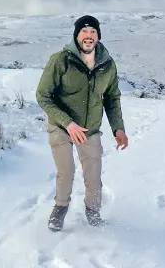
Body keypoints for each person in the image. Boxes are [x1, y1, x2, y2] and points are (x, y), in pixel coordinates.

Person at [36, 15, 128, 232]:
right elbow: (43, 96)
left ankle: (93, 210)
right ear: (77, 36)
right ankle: (60, 208)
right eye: (84, 32)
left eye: (93, 32)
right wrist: (68, 124)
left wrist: (118, 128)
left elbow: (112, 98)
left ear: (98, 36)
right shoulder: (61, 60)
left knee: (94, 175)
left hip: (91, 129)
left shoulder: (107, 64)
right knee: (66, 171)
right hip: (62, 127)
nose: (89, 36)